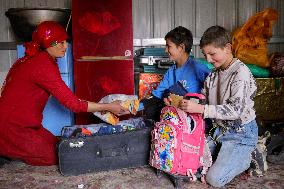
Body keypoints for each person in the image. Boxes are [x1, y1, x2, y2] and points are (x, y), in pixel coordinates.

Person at [0, 21, 128, 166]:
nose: (65, 46)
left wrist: (106, 106)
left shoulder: (41, 59)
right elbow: (73, 104)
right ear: (47, 43)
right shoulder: (41, 64)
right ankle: (4, 149)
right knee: (59, 157)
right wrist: (109, 106)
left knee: (61, 146)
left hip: (29, 125)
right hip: (12, 128)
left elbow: (69, 98)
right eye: (59, 43)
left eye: (65, 41)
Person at [180, 25, 258, 187]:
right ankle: (226, 156)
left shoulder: (240, 73)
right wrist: (185, 104)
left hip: (240, 133)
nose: (208, 59)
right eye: (205, 54)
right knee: (188, 161)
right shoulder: (213, 76)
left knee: (214, 179)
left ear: (227, 48)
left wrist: (201, 109)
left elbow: (237, 110)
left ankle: (250, 155)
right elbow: (203, 101)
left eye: (212, 54)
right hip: (218, 131)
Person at [141, 26, 211, 121]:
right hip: (175, 118)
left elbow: (213, 97)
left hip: (195, 119)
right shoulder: (171, 72)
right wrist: (132, 107)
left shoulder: (199, 69)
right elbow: (157, 96)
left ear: (181, 47)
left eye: (169, 46)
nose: (166, 50)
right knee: (152, 110)